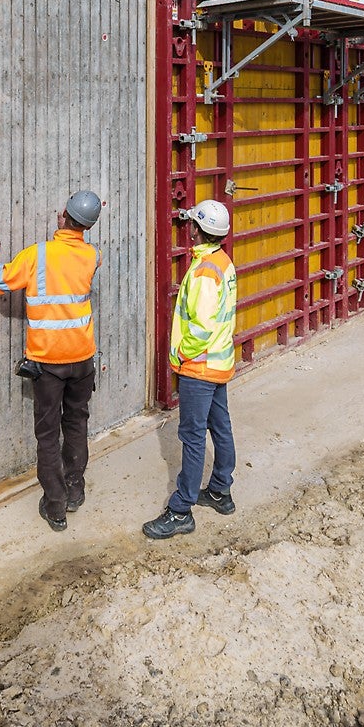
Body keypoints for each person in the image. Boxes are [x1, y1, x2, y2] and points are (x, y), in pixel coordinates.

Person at [0, 191, 102, 533]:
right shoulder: (92, 255)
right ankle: (75, 491)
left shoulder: (38, 254)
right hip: (83, 359)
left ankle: (55, 506)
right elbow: (76, 259)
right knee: (76, 424)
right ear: (88, 226)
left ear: (64, 215)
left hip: (49, 362)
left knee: (48, 435)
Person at [144, 199, 238, 539]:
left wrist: (183, 355)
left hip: (199, 367)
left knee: (192, 436)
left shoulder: (203, 273)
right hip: (219, 363)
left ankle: (181, 509)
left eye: (192, 225)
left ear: (197, 230)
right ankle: (220, 491)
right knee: (220, 426)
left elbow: (201, 326)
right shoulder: (222, 262)